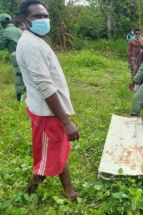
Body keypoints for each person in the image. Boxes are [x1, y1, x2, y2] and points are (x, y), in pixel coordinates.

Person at [16, 0, 79, 202]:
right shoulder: (31, 45)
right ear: (24, 21)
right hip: (48, 112)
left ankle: (69, 191)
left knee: (56, 151)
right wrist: (66, 121)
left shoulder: (36, 40)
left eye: (45, 15)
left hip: (51, 111)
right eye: (37, 16)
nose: (44, 19)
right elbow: (45, 86)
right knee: (48, 158)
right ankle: (27, 194)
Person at [0, 13, 26, 101]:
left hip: (16, 57)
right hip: (26, 55)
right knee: (27, 75)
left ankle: (20, 101)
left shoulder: (5, 31)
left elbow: (1, 46)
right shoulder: (19, 30)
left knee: (19, 77)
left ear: (3, 23)